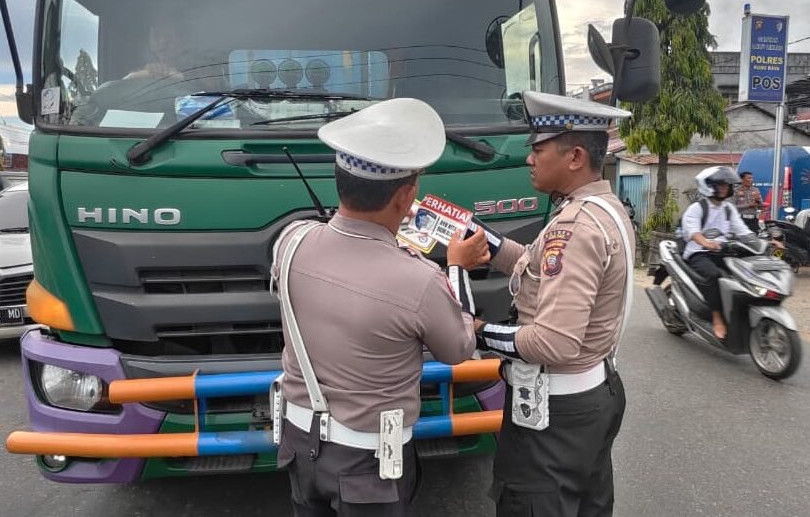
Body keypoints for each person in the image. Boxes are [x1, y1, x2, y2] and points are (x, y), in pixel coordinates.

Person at [269, 98, 490, 516]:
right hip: (368, 465)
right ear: (406, 197)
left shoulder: (291, 241)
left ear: (340, 181)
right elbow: (459, 349)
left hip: (298, 441)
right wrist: (457, 269)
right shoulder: (419, 279)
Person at [471, 90, 635, 516]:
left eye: (538, 149)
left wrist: (480, 332)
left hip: (555, 413)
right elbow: (537, 266)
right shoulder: (603, 208)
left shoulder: (575, 227)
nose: (529, 159)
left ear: (575, 157)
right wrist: (487, 241)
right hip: (592, 395)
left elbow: (554, 343)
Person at [681, 166, 756, 340]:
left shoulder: (729, 208)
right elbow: (693, 232)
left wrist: (761, 242)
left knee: (746, 273)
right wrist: (706, 243)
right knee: (714, 275)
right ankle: (717, 318)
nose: (724, 188)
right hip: (699, 253)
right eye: (720, 184)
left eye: (726, 185)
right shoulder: (697, 208)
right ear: (708, 185)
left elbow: (742, 231)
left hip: (722, 251)